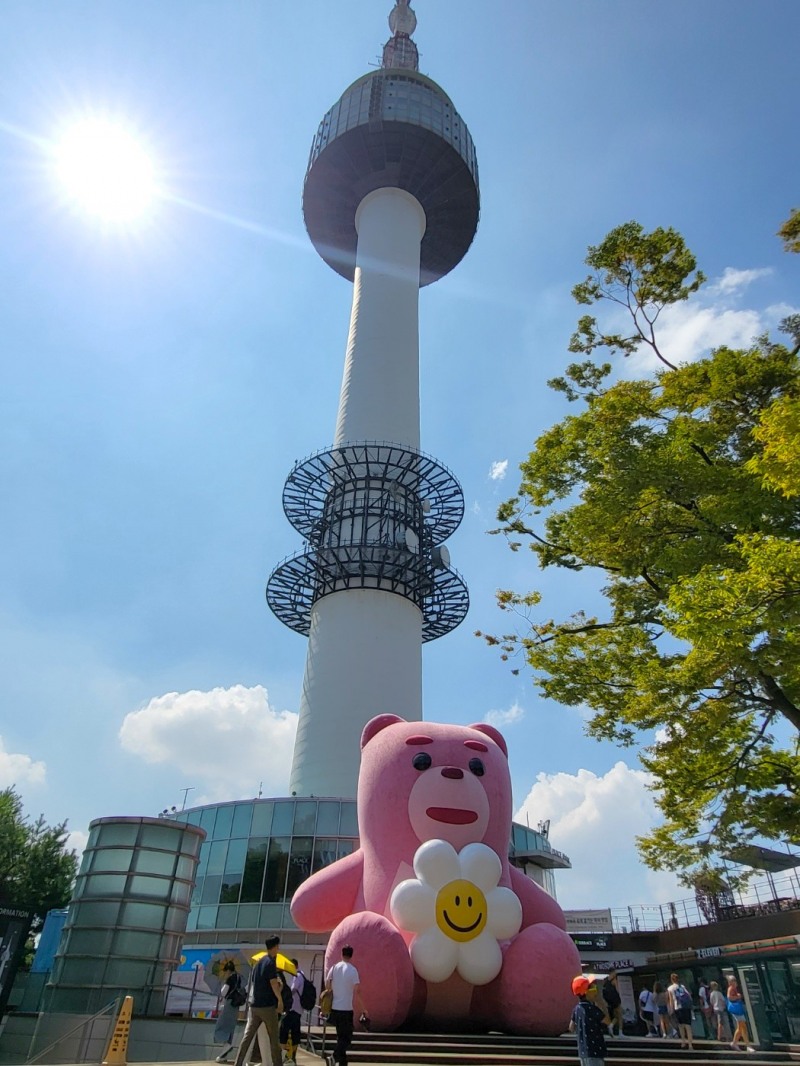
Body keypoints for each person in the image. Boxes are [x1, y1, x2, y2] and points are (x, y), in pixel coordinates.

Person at [231, 935, 283, 1066]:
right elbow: (273, 984)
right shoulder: (271, 962)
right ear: (275, 947)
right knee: (274, 1039)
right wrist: (280, 1000)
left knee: (247, 1037)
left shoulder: (258, 963)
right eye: (278, 946)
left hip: (254, 1006)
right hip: (267, 1006)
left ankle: (238, 1062)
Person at [325, 944, 368, 1066]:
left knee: (340, 1037)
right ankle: (333, 1057)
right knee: (347, 1037)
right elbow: (357, 991)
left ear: (341, 954)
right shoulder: (352, 970)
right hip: (346, 1009)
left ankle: (343, 1062)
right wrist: (363, 1008)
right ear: (351, 955)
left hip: (335, 1008)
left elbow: (328, 986)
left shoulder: (334, 968)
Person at [570, 974, 607, 1066]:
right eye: (592, 988)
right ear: (586, 992)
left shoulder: (576, 1009)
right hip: (596, 1050)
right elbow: (607, 1021)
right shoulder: (592, 1009)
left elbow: (571, 1027)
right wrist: (600, 1002)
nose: (595, 990)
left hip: (583, 1051)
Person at [214, 962, 243, 1063]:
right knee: (230, 1027)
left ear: (228, 970)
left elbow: (223, 992)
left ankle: (227, 1045)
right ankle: (224, 1055)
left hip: (229, 1003)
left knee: (222, 1025)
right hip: (236, 1005)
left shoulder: (230, 978)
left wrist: (224, 983)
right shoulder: (238, 978)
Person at [279, 960, 302, 1064]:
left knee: (284, 1031)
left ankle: (284, 1056)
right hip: (298, 1009)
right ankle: (292, 1056)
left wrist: (284, 993)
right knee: (295, 1032)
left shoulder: (297, 976)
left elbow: (292, 990)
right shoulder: (300, 975)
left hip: (293, 1009)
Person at [667, 971, 694, 1051]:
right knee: (688, 1026)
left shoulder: (670, 988)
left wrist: (671, 1010)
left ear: (671, 980)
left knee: (681, 1026)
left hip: (678, 1008)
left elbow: (671, 1000)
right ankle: (690, 1045)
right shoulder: (682, 986)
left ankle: (683, 1042)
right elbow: (689, 996)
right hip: (686, 1007)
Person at [727, 976, 752, 1052]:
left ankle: (736, 1043)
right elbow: (729, 997)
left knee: (742, 1027)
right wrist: (737, 996)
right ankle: (745, 1045)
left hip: (738, 1009)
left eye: (735, 980)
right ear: (730, 982)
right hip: (736, 1009)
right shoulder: (731, 988)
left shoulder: (734, 988)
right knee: (742, 1026)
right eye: (733, 981)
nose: (734, 982)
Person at [601, 970, 623, 1037]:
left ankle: (611, 1025)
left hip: (609, 1000)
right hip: (615, 998)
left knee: (616, 1015)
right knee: (620, 1015)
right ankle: (620, 1032)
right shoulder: (613, 979)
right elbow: (617, 989)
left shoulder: (606, 980)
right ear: (613, 972)